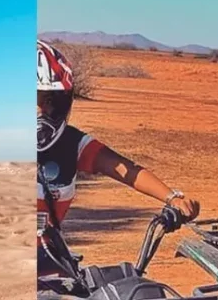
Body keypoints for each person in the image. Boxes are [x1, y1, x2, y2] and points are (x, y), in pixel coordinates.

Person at [36, 40, 200, 275]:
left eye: (49, 102)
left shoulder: (71, 144)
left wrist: (173, 198)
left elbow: (127, 170)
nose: (41, 112)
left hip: (52, 267)